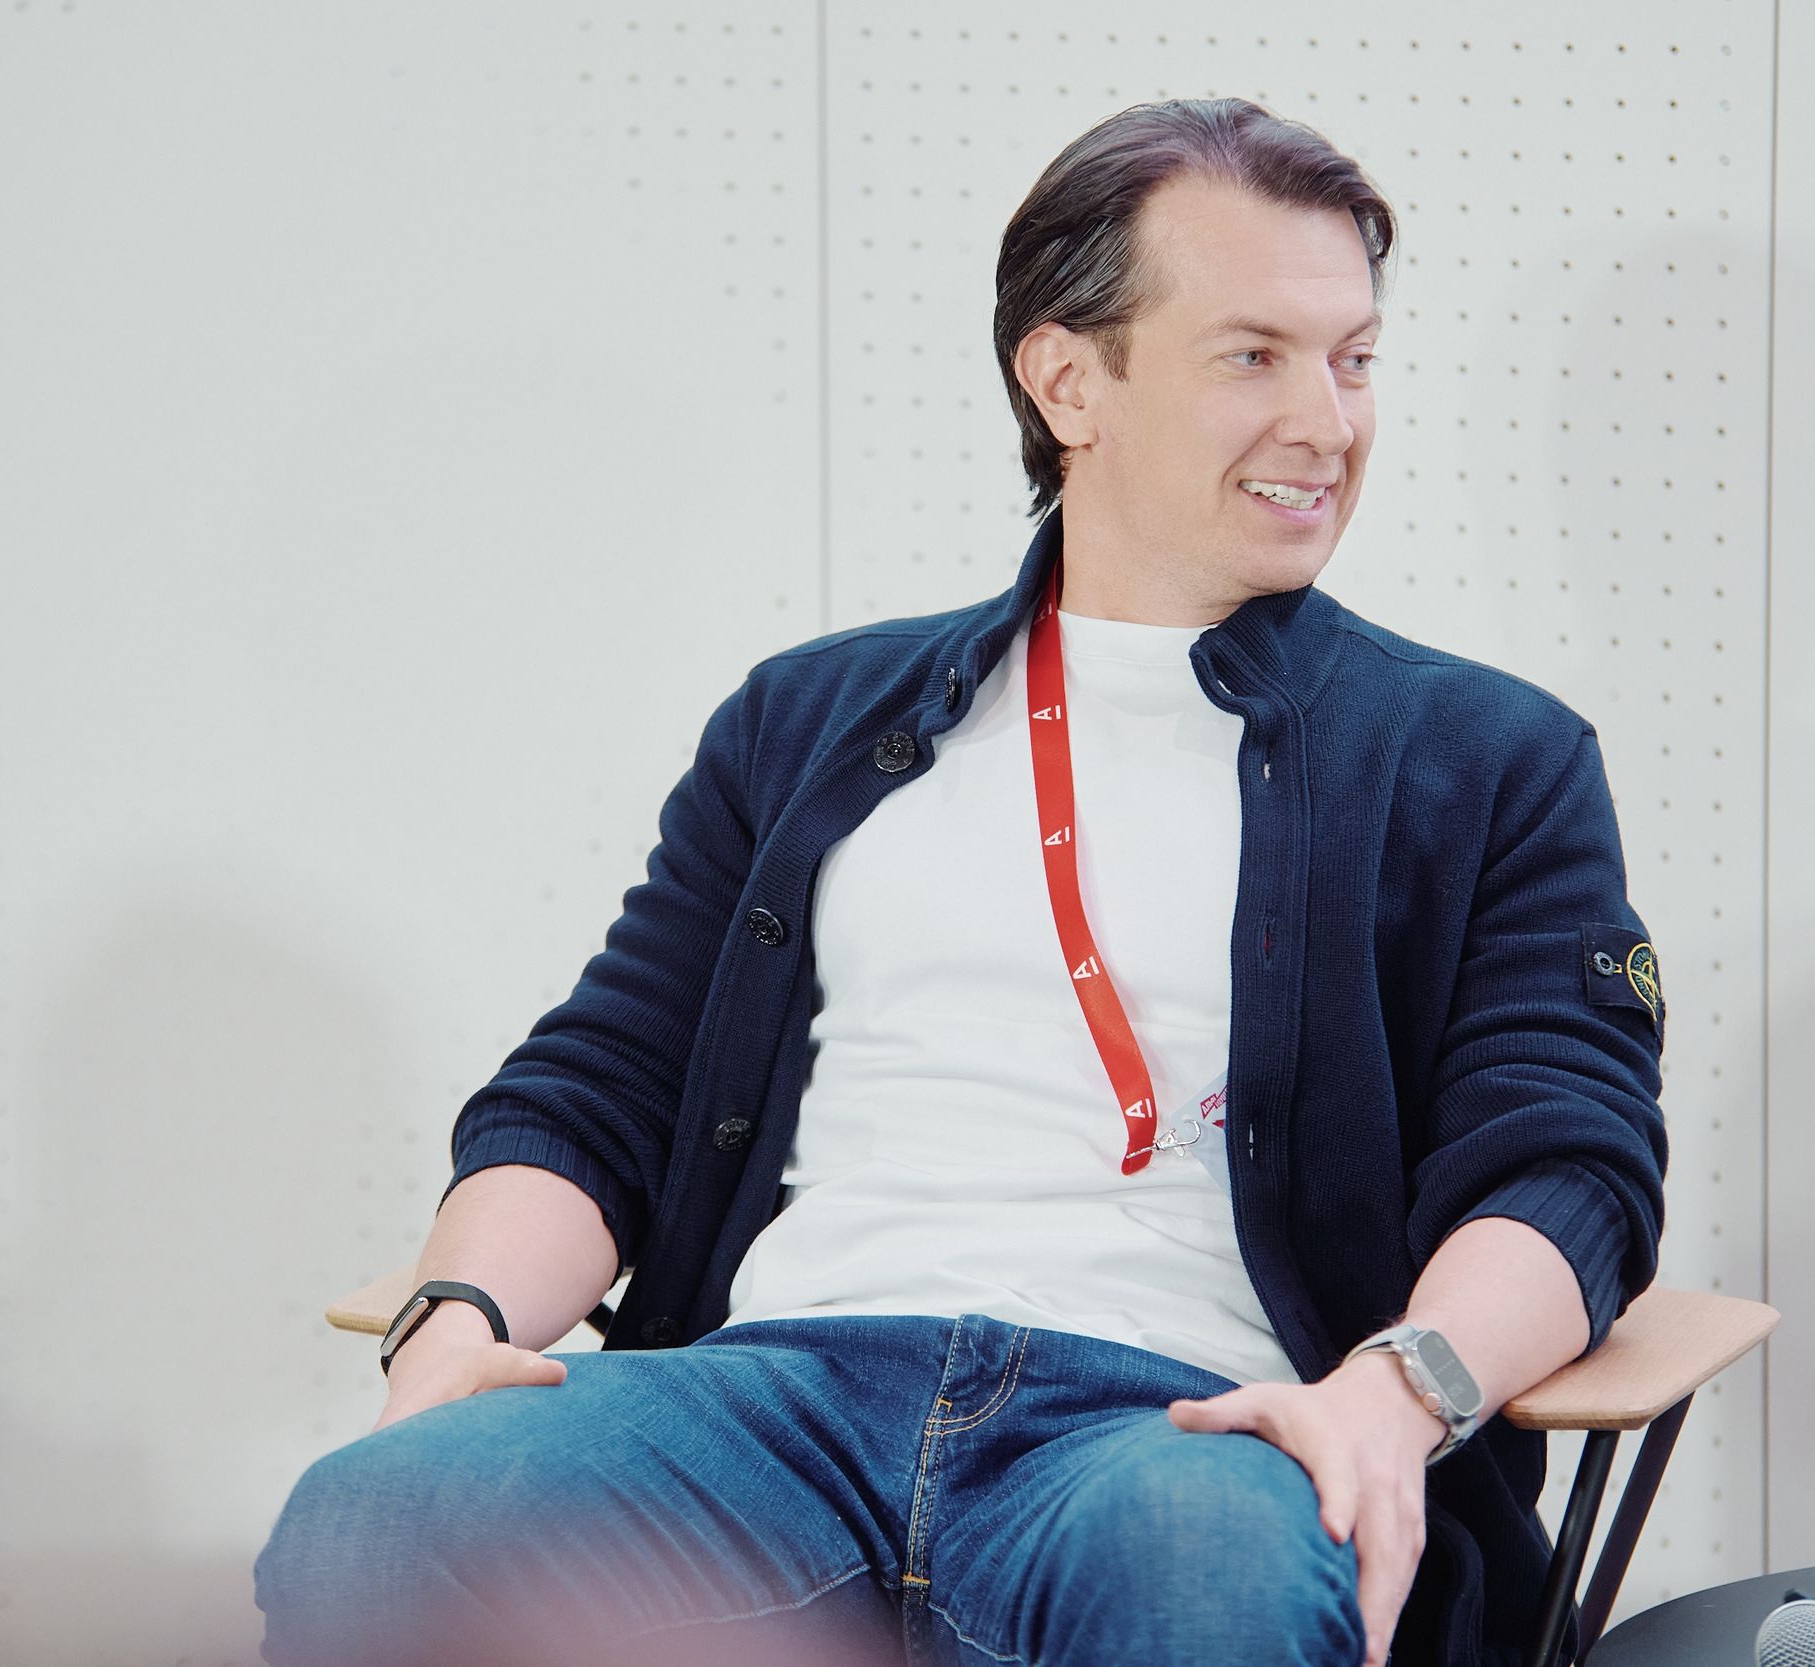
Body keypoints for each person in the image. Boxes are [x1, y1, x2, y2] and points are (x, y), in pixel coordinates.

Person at [255, 96, 1667, 1667]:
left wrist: (1396, 1399)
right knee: (376, 1520)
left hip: (1178, 1427)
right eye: (1252, 356)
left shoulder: (1483, 758)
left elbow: (1569, 1165)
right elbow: (600, 1093)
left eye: (1353, 358)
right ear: (1068, 382)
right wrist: (451, 1324)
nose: (1327, 423)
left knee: (1210, 1589)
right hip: (773, 1405)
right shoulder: (807, 721)